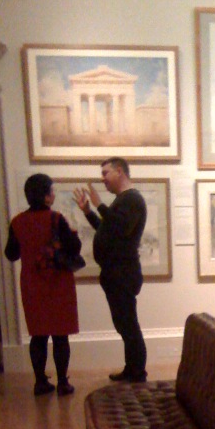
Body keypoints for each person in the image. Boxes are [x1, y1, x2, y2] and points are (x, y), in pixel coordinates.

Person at [5, 173, 81, 396]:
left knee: (38, 335)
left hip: (31, 283)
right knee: (60, 335)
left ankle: (40, 382)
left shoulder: (17, 222)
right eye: (52, 191)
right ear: (46, 196)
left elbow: (11, 254)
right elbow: (74, 248)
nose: (54, 195)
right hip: (58, 282)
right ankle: (63, 383)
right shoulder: (56, 219)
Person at [74, 157, 148, 382]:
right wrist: (89, 212)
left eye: (106, 173)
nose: (102, 179)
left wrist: (99, 205)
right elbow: (107, 229)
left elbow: (121, 227)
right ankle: (131, 369)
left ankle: (137, 372)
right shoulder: (122, 200)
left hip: (123, 274)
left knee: (128, 325)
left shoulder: (132, 199)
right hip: (115, 274)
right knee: (123, 324)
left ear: (120, 171)